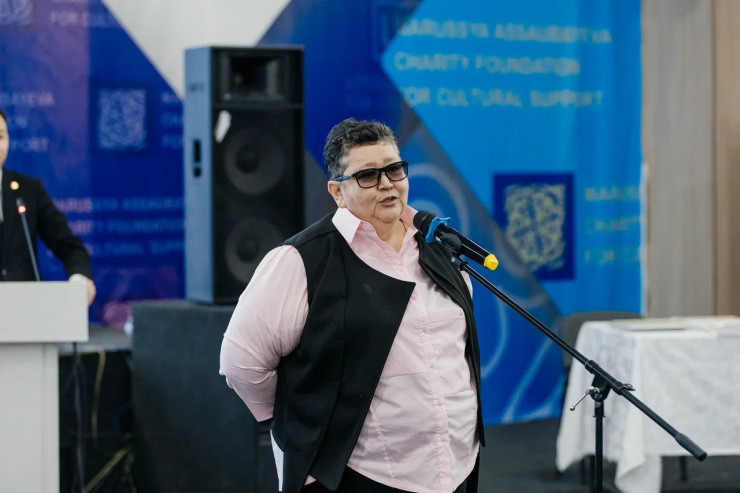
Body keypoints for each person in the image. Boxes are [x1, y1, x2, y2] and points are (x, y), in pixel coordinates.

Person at [220, 118, 484, 493]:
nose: (387, 183)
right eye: (367, 176)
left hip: (454, 466)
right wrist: (300, 416)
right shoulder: (300, 260)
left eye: (394, 169)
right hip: (356, 473)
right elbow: (242, 364)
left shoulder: (440, 250)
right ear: (337, 192)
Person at [0, 108, 95, 305]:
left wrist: (79, 279)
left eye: (0, 137)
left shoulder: (27, 190)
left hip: (24, 310)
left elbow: (69, 246)